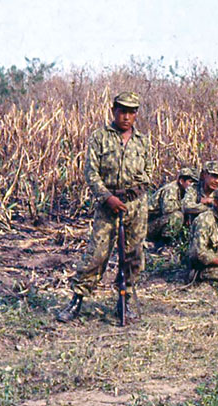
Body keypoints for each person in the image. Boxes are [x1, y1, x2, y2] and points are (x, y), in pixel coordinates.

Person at [58, 92, 153, 323]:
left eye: (131, 112)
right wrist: (108, 197)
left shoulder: (143, 141)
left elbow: (149, 173)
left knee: (133, 256)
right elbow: (91, 173)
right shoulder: (99, 137)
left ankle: (125, 300)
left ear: (136, 114)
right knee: (96, 255)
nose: (126, 117)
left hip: (135, 207)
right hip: (108, 206)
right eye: (122, 111)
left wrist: (134, 195)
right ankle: (77, 301)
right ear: (114, 111)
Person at [148, 167, 197, 243]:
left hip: (158, 222)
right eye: (190, 182)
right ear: (181, 181)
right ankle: (164, 244)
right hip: (149, 224)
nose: (192, 185)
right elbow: (167, 209)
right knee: (177, 216)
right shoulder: (171, 189)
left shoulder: (185, 191)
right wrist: (185, 204)